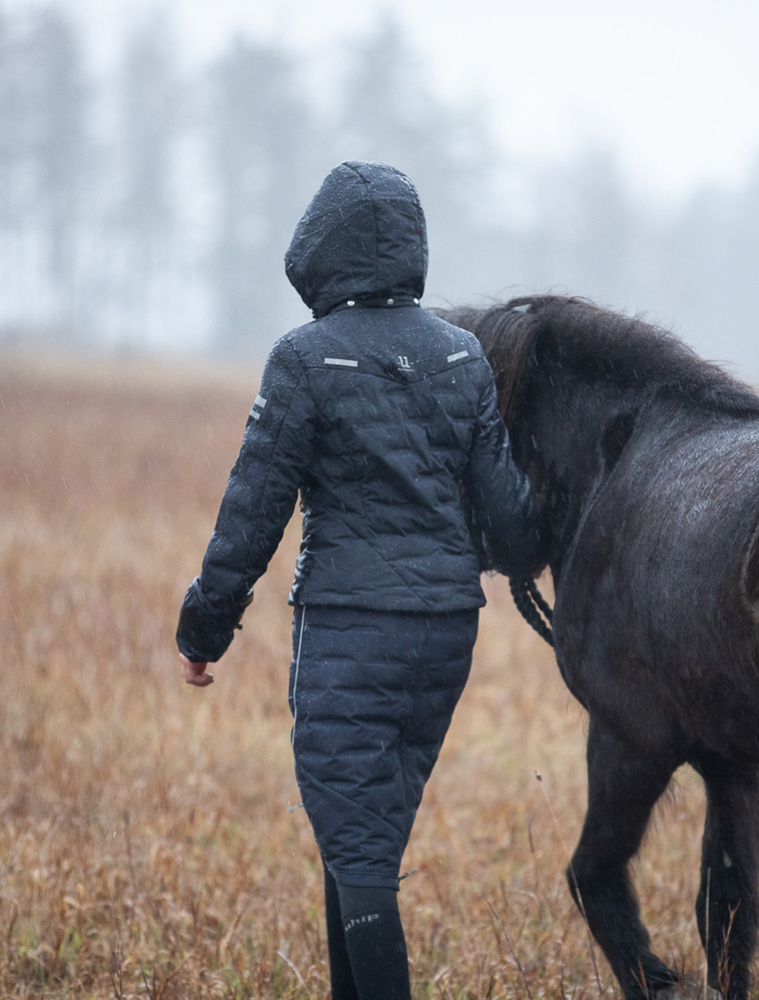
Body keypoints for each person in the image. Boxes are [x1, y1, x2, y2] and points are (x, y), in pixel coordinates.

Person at [176, 160, 544, 1000]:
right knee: (361, 841)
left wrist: (202, 632)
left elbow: (251, 513)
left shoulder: (303, 360)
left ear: (321, 247)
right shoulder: (463, 358)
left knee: (363, 853)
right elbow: (514, 526)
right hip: (446, 638)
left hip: (348, 633)